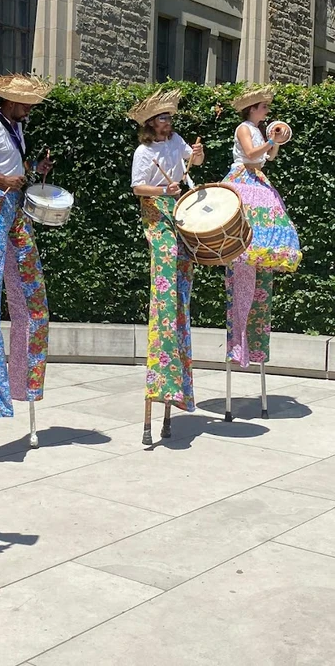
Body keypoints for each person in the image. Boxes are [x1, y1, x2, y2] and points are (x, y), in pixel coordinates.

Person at [0, 74, 53, 419]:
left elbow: (12, 166)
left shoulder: (16, 128)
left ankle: (23, 385)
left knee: (32, 297)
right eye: (26, 104)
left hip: (15, 208)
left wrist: (33, 168)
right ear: (11, 101)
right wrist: (3, 180)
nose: (29, 109)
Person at [128, 89, 204, 444]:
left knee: (181, 291)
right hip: (157, 214)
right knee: (164, 292)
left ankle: (175, 387)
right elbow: (137, 188)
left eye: (169, 117)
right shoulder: (144, 152)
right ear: (150, 123)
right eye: (162, 118)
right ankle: (162, 372)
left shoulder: (176, 141)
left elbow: (193, 161)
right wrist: (164, 191)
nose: (168, 122)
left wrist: (198, 155)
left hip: (179, 210)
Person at [223, 87, 301, 368]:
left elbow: (269, 157)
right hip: (243, 178)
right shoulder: (244, 128)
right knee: (245, 232)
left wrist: (276, 141)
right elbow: (250, 153)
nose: (267, 110)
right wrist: (269, 140)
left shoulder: (257, 129)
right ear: (253, 108)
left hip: (257, 177)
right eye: (264, 106)